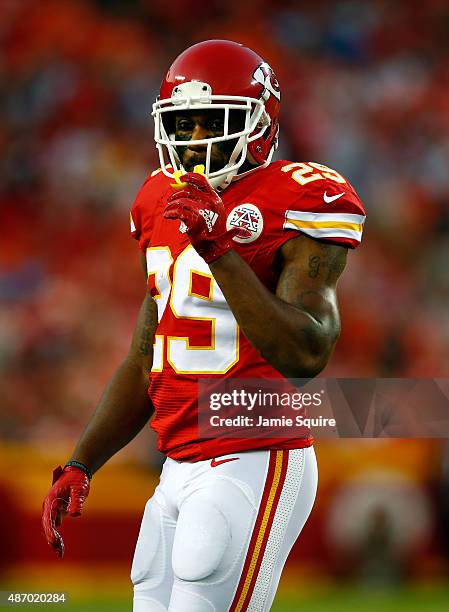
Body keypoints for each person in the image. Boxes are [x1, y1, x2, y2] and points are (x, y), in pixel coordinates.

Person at [42, 39, 366, 611]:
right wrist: (81, 461)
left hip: (257, 451)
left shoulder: (296, 196)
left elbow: (308, 352)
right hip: (176, 464)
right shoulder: (158, 199)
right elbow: (148, 356)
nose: (194, 141)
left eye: (210, 122)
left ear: (259, 121)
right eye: (182, 123)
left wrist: (217, 247)